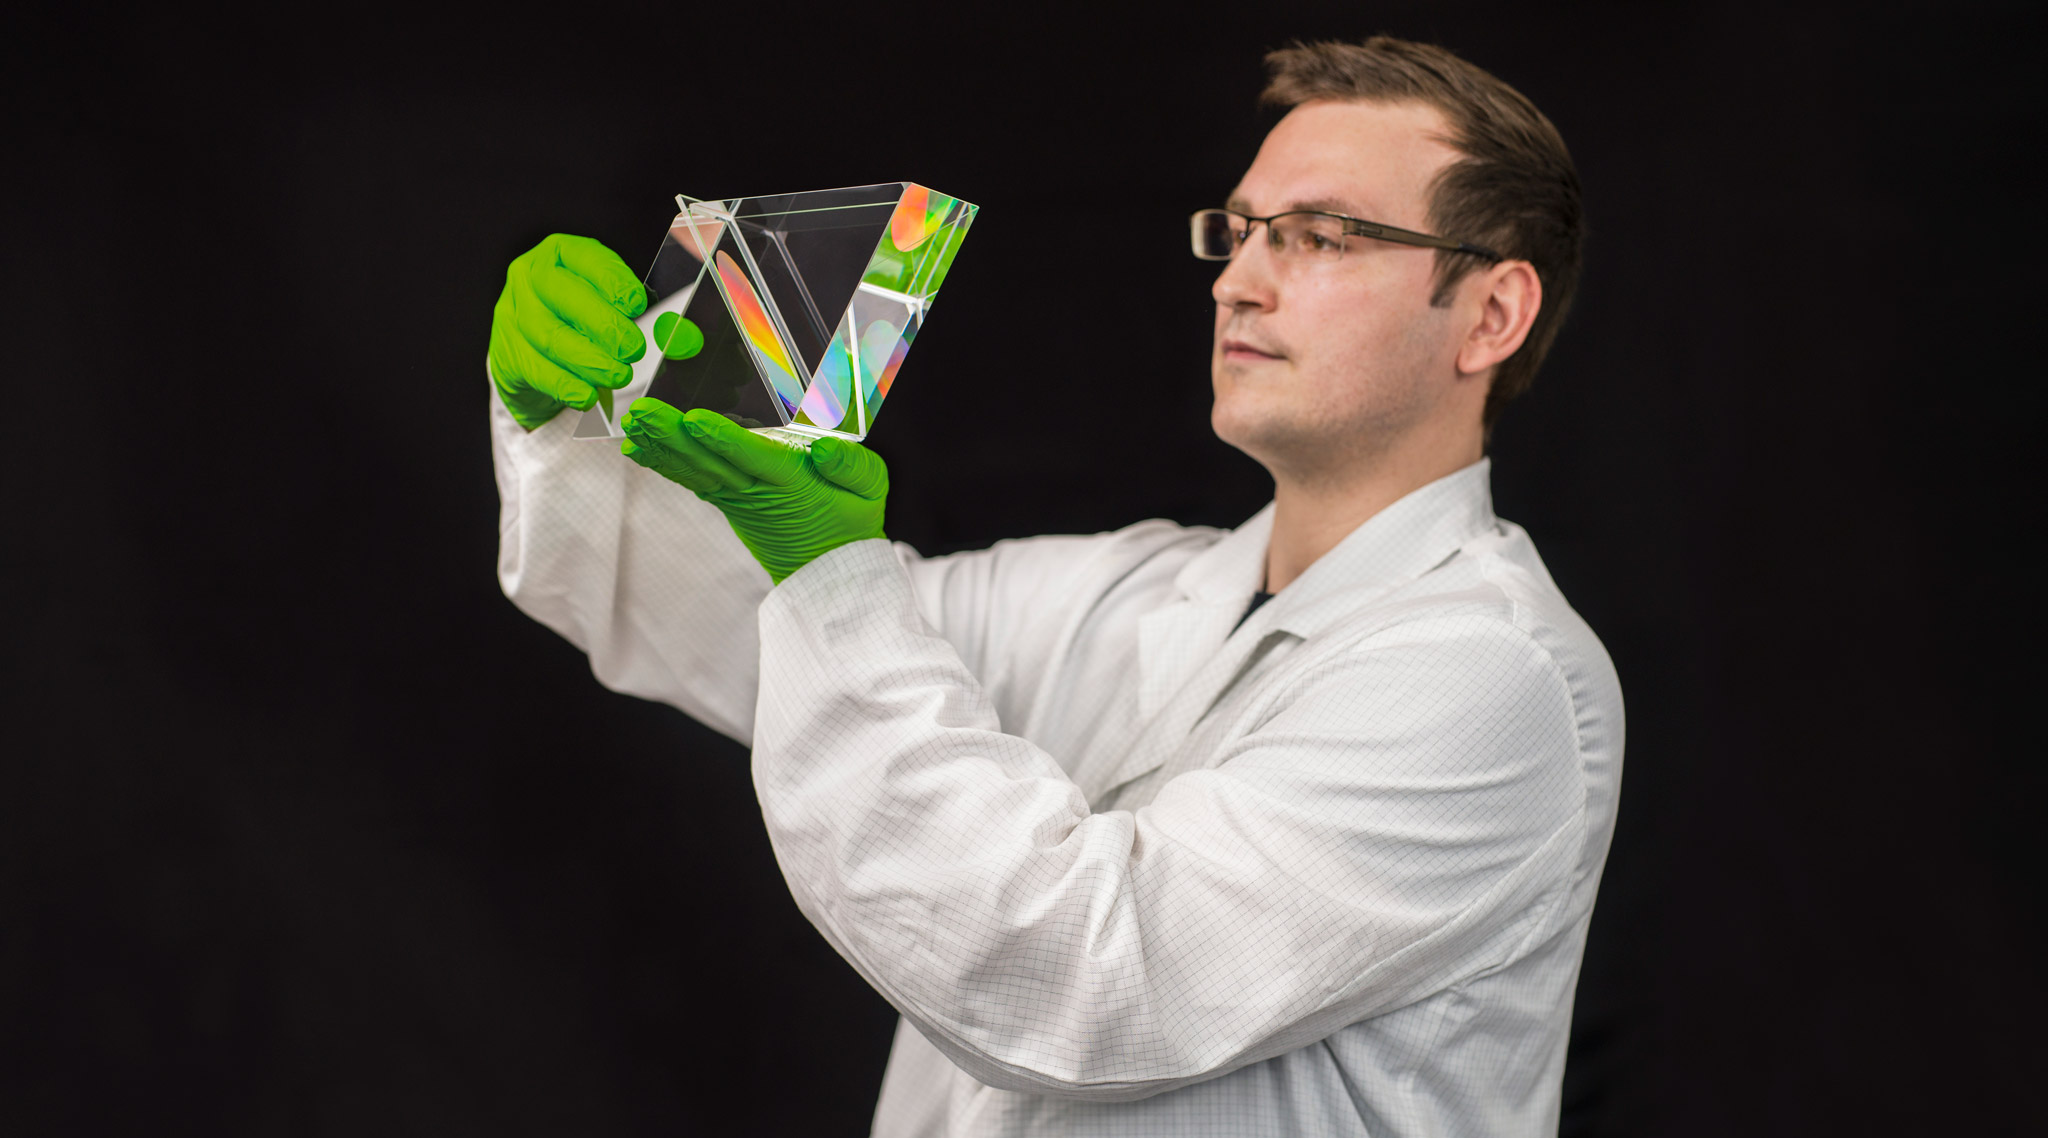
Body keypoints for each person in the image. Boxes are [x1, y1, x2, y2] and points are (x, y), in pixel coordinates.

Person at [485, 35, 1621, 1138]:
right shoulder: (1130, 593)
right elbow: (753, 639)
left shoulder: (1489, 674)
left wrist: (832, 579)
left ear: (1491, 312)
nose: (1237, 281)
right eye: (1238, 231)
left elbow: (1095, 981)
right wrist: (576, 420)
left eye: (1318, 236)